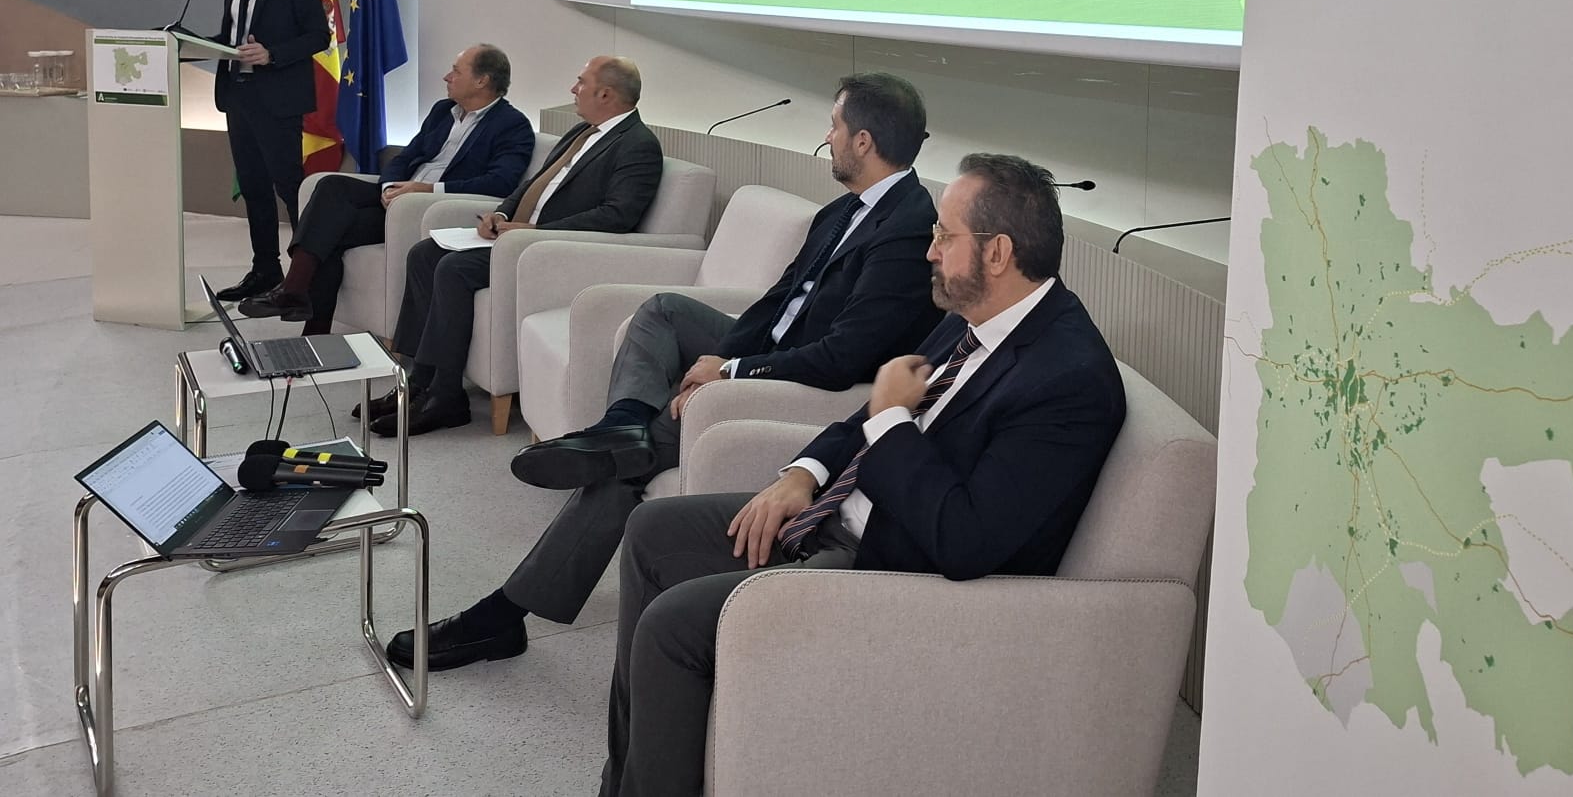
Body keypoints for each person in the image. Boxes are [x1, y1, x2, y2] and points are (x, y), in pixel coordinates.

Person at [598, 152, 1126, 797]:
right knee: (651, 530)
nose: (930, 251)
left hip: (894, 573)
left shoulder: (1067, 379)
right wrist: (804, 473)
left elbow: (965, 539)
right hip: (838, 514)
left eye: (944, 235)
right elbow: (868, 413)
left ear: (997, 252)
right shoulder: (972, 320)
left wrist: (894, 420)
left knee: (673, 626)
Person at [385, 72, 938, 671]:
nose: (826, 138)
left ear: (862, 141)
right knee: (664, 311)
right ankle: (619, 426)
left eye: (833, 127)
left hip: (806, 377)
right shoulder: (843, 209)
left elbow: (844, 356)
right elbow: (777, 301)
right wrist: (719, 356)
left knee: (627, 466)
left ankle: (505, 613)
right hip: (777, 345)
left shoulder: (906, 229)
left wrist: (734, 370)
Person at [382, 56, 663, 435]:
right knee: (424, 254)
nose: (573, 89)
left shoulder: (638, 145)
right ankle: (416, 384)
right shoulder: (581, 132)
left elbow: (617, 216)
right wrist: (500, 214)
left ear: (606, 94)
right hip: (519, 238)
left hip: (551, 251)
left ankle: (446, 397)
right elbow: (532, 186)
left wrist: (534, 230)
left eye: (581, 82)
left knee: (453, 269)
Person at [237, 44, 535, 331]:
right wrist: (389, 187)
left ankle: (303, 308)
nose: (447, 77)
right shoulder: (443, 111)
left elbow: (500, 182)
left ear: (482, 80)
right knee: (331, 186)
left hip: (429, 209)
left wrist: (427, 190)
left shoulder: (512, 125)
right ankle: (296, 294)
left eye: (456, 71)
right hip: (398, 196)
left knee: (330, 231)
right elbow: (405, 157)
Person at [210, 0, 331, 303]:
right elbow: (231, 37)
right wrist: (186, 42)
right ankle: (264, 269)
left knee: (288, 185)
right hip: (238, 96)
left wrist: (272, 54)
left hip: (278, 98)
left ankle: (305, 277)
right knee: (253, 186)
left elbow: (319, 36)